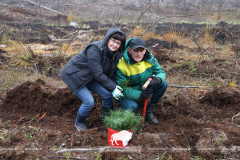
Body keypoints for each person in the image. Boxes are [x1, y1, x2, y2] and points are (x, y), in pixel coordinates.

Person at [60, 27, 126, 131]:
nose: (115, 45)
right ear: (108, 38)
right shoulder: (95, 49)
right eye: (113, 41)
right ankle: (79, 123)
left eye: (118, 43)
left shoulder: (115, 54)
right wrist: (113, 87)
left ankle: (107, 120)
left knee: (108, 95)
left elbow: (109, 73)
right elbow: (98, 74)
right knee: (89, 101)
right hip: (74, 75)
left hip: (89, 76)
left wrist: (116, 85)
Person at [114, 37, 168, 124]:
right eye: (136, 50)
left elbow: (160, 71)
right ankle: (134, 119)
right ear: (129, 50)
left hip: (145, 87)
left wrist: (157, 80)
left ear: (145, 50)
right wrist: (140, 95)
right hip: (128, 93)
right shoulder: (121, 64)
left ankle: (148, 111)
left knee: (163, 84)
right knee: (132, 107)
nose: (139, 54)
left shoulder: (150, 59)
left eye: (141, 50)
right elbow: (122, 88)